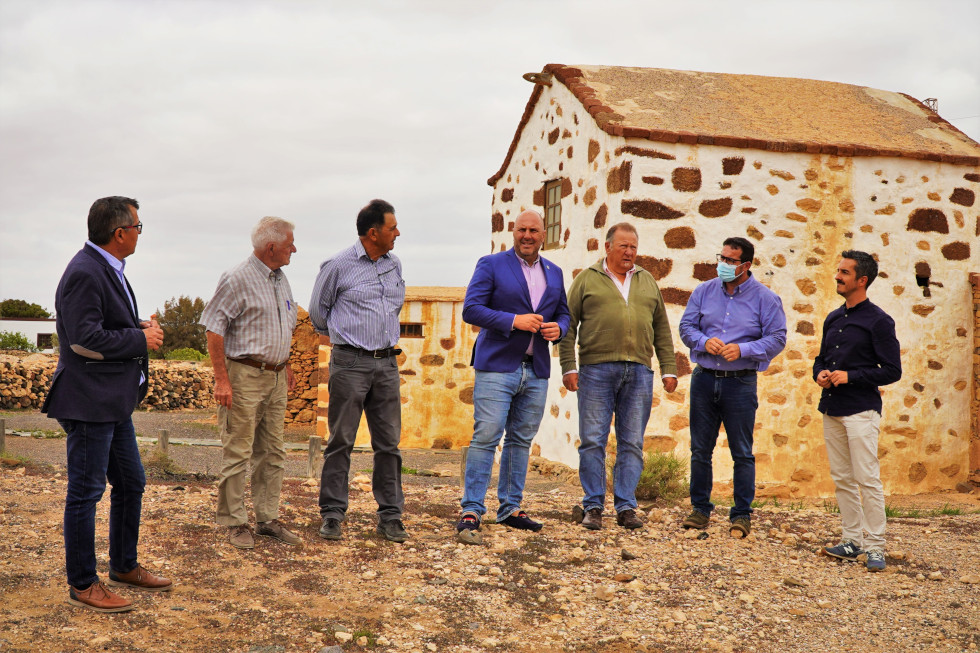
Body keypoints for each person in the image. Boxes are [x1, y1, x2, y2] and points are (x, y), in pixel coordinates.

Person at [42, 196, 172, 613]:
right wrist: (140, 339)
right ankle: (83, 584)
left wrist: (136, 325)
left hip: (111, 402)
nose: (139, 234)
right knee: (85, 493)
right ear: (120, 233)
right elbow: (83, 339)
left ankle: (124, 566)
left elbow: (102, 325)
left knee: (131, 482)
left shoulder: (106, 268)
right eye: (137, 227)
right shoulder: (85, 271)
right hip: (88, 401)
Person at [455, 210, 570, 543]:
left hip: (536, 369)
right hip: (496, 366)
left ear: (543, 235)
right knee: (486, 437)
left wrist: (559, 329)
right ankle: (472, 509)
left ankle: (510, 509)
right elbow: (471, 309)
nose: (527, 235)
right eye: (522, 229)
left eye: (534, 230)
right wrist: (513, 320)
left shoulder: (555, 271)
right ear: (514, 232)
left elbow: (563, 313)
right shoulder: (491, 264)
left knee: (520, 441)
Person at [559, 222, 677, 530]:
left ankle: (626, 508)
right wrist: (569, 366)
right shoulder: (587, 279)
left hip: (639, 371)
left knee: (632, 442)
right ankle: (593, 506)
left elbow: (661, 328)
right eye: (623, 246)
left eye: (633, 247)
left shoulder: (647, 280)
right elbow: (567, 326)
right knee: (593, 441)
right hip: (595, 370)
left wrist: (668, 368)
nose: (629, 252)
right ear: (608, 247)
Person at [310, 199, 409, 543]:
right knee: (341, 441)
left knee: (389, 445)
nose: (398, 233)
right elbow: (318, 313)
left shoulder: (394, 264)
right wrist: (347, 339)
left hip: (387, 364)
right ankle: (332, 514)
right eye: (392, 228)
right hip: (350, 363)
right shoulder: (338, 265)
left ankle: (391, 517)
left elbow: (393, 308)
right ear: (373, 233)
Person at [201, 216, 301, 549]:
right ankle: (234, 522)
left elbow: (283, 324)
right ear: (271, 247)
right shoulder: (237, 278)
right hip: (244, 376)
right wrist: (222, 379)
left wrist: (285, 363)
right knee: (238, 451)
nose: (294, 249)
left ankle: (267, 519)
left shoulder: (281, 279)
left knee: (272, 451)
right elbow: (214, 328)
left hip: (276, 376)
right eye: (289, 244)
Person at [678, 236, 786, 537]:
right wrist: (703, 341)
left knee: (742, 452)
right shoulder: (703, 291)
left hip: (740, 383)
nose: (723, 264)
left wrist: (744, 350)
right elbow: (686, 327)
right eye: (721, 258)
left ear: (746, 265)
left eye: (730, 260)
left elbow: (777, 338)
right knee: (700, 449)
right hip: (703, 379)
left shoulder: (766, 299)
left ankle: (741, 514)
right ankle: (700, 509)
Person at [814, 251, 901, 572]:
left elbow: (892, 370)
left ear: (862, 280)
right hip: (832, 407)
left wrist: (851, 376)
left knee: (867, 478)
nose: (837, 276)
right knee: (842, 479)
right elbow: (820, 359)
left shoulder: (879, 321)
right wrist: (820, 374)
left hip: (862, 411)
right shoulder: (833, 318)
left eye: (844, 272)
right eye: (838, 270)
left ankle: (875, 546)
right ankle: (851, 540)